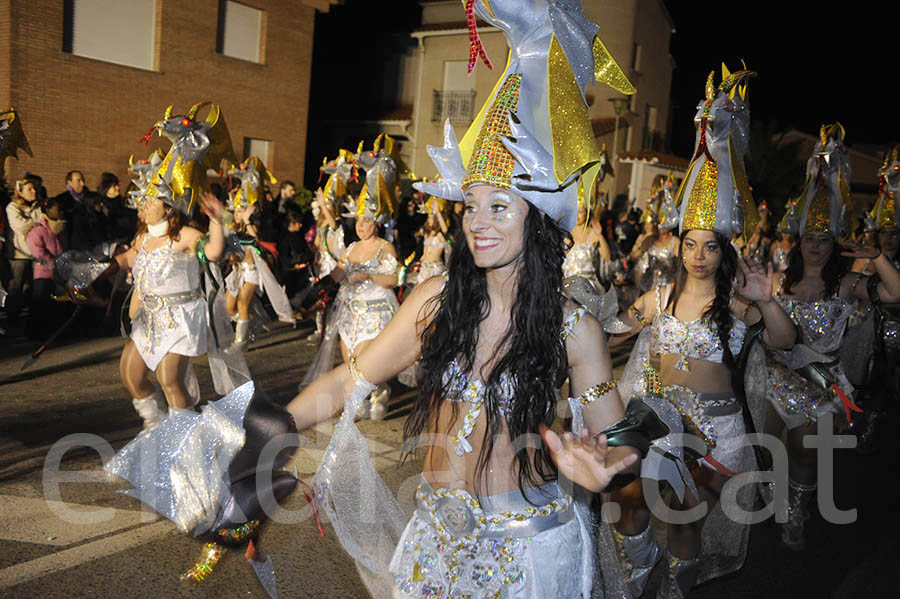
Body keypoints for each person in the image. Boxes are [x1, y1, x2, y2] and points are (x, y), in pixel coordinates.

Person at [288, 2, 647, 596]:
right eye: (470, 205)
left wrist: (615, 462)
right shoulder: (436, 300)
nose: (477, 222)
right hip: (435, 541)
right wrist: (274, 422)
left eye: (499, 206)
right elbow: (350, 379)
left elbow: (622, 433)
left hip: (529, 550)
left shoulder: (572, 327)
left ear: (540, 221)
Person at [603, 67, 798, 599]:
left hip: (715, 440)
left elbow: (782, 342)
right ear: (680, 245)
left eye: (711, 246)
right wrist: (584, 317)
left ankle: (673, 588)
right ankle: (637, 574)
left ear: (724, 251)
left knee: (684, 521)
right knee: (624, 501)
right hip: (658, 428)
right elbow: (614, 331)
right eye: (691, 244)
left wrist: (767, 301)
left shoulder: (736, 305)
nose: (698, 256)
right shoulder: (659, 297)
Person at [763, 124, 900, 550]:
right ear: (799, 240)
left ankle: (796, 513)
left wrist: (876, 257)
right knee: (766, 448)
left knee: (805, 450)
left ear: (834, 241)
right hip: (773, 380)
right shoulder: (781, 284)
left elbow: (896, 295)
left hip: (820, 388)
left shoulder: (846, 286)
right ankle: (771, 499)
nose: (817, 247)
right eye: (810, 239)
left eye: (824, 239)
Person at [222, 157, 294, 353]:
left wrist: (248, 222)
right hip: (238, 271)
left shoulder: (255, 226)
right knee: (229, 308)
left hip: (252, 271)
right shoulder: (232, 227)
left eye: (240, 211)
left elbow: (256, 245)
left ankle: (241, 343)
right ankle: (252, 323)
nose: (237, 214)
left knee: (243, 303)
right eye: (236, 211)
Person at [25, 195, 66, 339]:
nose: (60, 212)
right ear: (47, 210)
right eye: (57, 209)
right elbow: (38, 252)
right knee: (40, 304)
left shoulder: (57, 229)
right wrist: (52, 264)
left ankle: (48, 332)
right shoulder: (37, 230)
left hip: (56, 272)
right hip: (43, 273)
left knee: (51, 306)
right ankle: (35, 333)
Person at [4, 178, 42, 332]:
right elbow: (21, 227)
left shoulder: (37, 207)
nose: (34, 192)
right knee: (15, 288)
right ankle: (11, 321)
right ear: (19, 192)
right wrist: (36, 224)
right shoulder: (12, 207)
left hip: (34, 254)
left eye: (34, 189)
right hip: (18, 254)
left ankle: (26, 323)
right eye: (29, 189)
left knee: (30, 289)